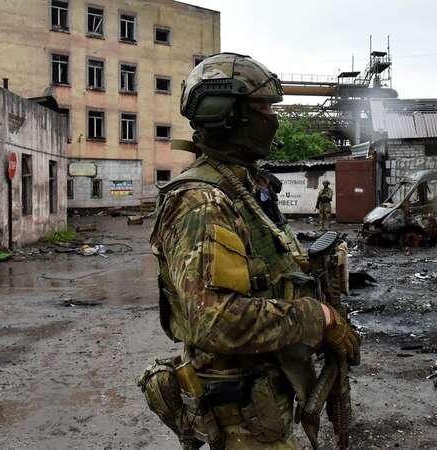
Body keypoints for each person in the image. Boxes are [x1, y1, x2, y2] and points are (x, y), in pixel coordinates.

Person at [138, 53, 360, 450]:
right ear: (230, 114)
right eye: (264, 108)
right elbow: (215, 321)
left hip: (263, 398)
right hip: (238, 410)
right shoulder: (202, 202)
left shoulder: (245, 187)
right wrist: (319, 318)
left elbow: (264, 272)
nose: (273, 119)